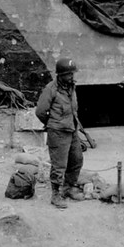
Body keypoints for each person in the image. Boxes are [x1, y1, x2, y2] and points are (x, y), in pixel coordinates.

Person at [35, 58, 86, 209]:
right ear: (60, 75)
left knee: (77, 159)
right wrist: (52, 124)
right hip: (58, 132)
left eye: (72, 73)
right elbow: (40, 111)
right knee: (59, 165)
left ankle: (69, 187)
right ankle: (56, 195)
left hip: (71, 129)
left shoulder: (71, 87)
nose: (72, 76)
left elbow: (73, 108)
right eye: (68, 74)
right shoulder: (51, 89)